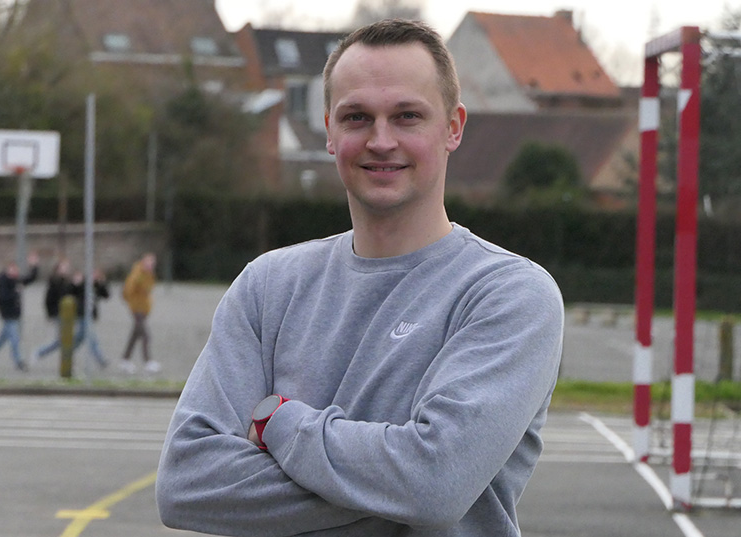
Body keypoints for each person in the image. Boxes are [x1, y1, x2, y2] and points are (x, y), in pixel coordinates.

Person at [156, 19, 564, 537]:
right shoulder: (266, 286)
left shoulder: (508, 294)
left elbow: (433, 483)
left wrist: (277, 422)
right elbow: (186, 484)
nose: (381, 139)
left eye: (408, 116)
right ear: (329, 130)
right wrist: (390, 476)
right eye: (356, 117)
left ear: (453, 127)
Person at [0, 253, 39, 371]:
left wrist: (34, 266)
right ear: (7, 269)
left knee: (2, 339)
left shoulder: (15, 279)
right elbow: (1, 298)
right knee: (15, 338)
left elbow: (30, 279)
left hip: (15, 313)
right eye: (12, 269)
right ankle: (19, 361)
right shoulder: (1, 280)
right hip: (7, 314)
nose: (15, 272)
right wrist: (15, 292)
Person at [119, 253, 160, 373]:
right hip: (137, 309)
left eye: (153, 263)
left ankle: (125, 359)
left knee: (135, 335)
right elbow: (128, 290)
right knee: (145, 335)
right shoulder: (137, 274)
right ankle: (148, 361)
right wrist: (133, 303)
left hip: (143, 309)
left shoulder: (149, 275)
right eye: (149, 262)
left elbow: (148, 289)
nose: (151, 265)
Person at [32, 258, 73, 361]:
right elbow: (48, 300)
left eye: (67, 267)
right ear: (58, 269)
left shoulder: (68, 281)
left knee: (67, 338)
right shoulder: (54, 282)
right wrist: (50, 314)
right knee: (61, 340)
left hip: (67, 314)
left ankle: (67, 359)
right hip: (58, 313)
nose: (66, 270)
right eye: (64, 267)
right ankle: (40, 352)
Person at [70, 269, 110, 369]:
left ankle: (67, 353)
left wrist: (103, 283)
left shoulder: (96, 286)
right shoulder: (83, 284)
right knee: (92, 339)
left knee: (79, 338)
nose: (95, 277)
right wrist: (75, 283)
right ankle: (100, 359)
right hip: (82, 315)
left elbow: (106, 295)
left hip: (90, 316)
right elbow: (73, 291)